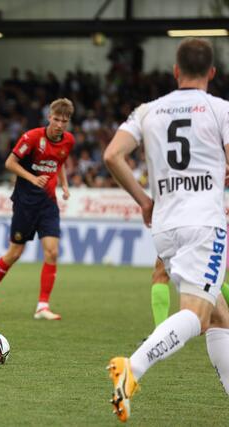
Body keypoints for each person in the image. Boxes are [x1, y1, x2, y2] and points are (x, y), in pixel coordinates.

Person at [103, 38, 229, 422]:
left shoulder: (148, 110)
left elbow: (112, 155)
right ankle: (132, 368)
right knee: (198, 314)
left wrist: (143, 199)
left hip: (165, 225)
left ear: (175, 71)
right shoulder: (221, 110)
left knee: (221, 316)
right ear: (211, 72)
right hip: (204, 223)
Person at [0, 98, 75, 320]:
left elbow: (59, 165)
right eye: (56, 119)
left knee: (52, 251)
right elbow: (10, 163)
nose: (59, 124)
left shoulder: (68, 141)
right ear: (49, 117)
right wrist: (33, 178)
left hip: (48, 204)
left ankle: (42, 306)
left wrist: (65, 186)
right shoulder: (32, 138)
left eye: (64, 121)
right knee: (15, 253)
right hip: (25, 203)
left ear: (68, 122)